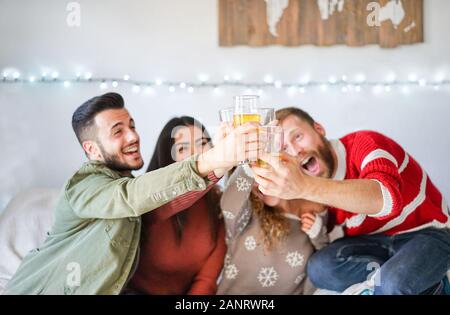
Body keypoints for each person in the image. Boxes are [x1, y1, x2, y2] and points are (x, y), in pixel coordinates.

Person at [4, 93, 259, 294]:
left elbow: (162, 204)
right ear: (92, 149)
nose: (133, 136)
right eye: (118, 131)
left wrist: (221, 165)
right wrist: (215, 158)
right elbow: (131, 197)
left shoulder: (144, 196)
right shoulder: (84, 186)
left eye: (132, 126)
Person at [252, 107, 450, 295]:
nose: (295, 151)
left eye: (298, 137)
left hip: (426, 232)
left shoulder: (365, 143)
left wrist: (306, 186)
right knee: (320, 267)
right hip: (376, 244)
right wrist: (317, 228)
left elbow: (385, 199)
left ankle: (433, 284)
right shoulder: (308, 184)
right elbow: (333, 240)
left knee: (393, 284)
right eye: (284, 149)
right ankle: (406, 275)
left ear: (319, 129)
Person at [128, 117, 226, 294]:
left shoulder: (218, 202)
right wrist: (220, 166)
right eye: (183, 148)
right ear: (167, 158)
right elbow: (169, 201)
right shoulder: (149, 198)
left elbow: (207, 279)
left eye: (202, 143)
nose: (197, 153)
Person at [216, 165, 328, 294]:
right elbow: (229, 205)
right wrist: (247, 167)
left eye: (263, 171)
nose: (258, 182)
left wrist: (319, 236)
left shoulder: (314, 209)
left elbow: (320, 270)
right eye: (253, 176)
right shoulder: (247, 218)